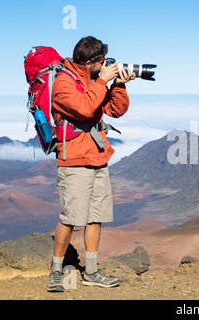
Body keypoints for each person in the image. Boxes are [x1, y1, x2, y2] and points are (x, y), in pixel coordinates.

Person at [47, 36, 135, 292]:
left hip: (98, 156)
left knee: (96, 217)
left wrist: (118, 84)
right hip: (74, 159)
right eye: (101, 62)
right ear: (89, 63)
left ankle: (92, 271)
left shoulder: (93, 81)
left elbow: (115, 110)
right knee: (70, 217)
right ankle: (55, 271)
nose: (105, 64)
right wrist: (102, 81)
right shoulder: (64, 83)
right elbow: (85, 109)